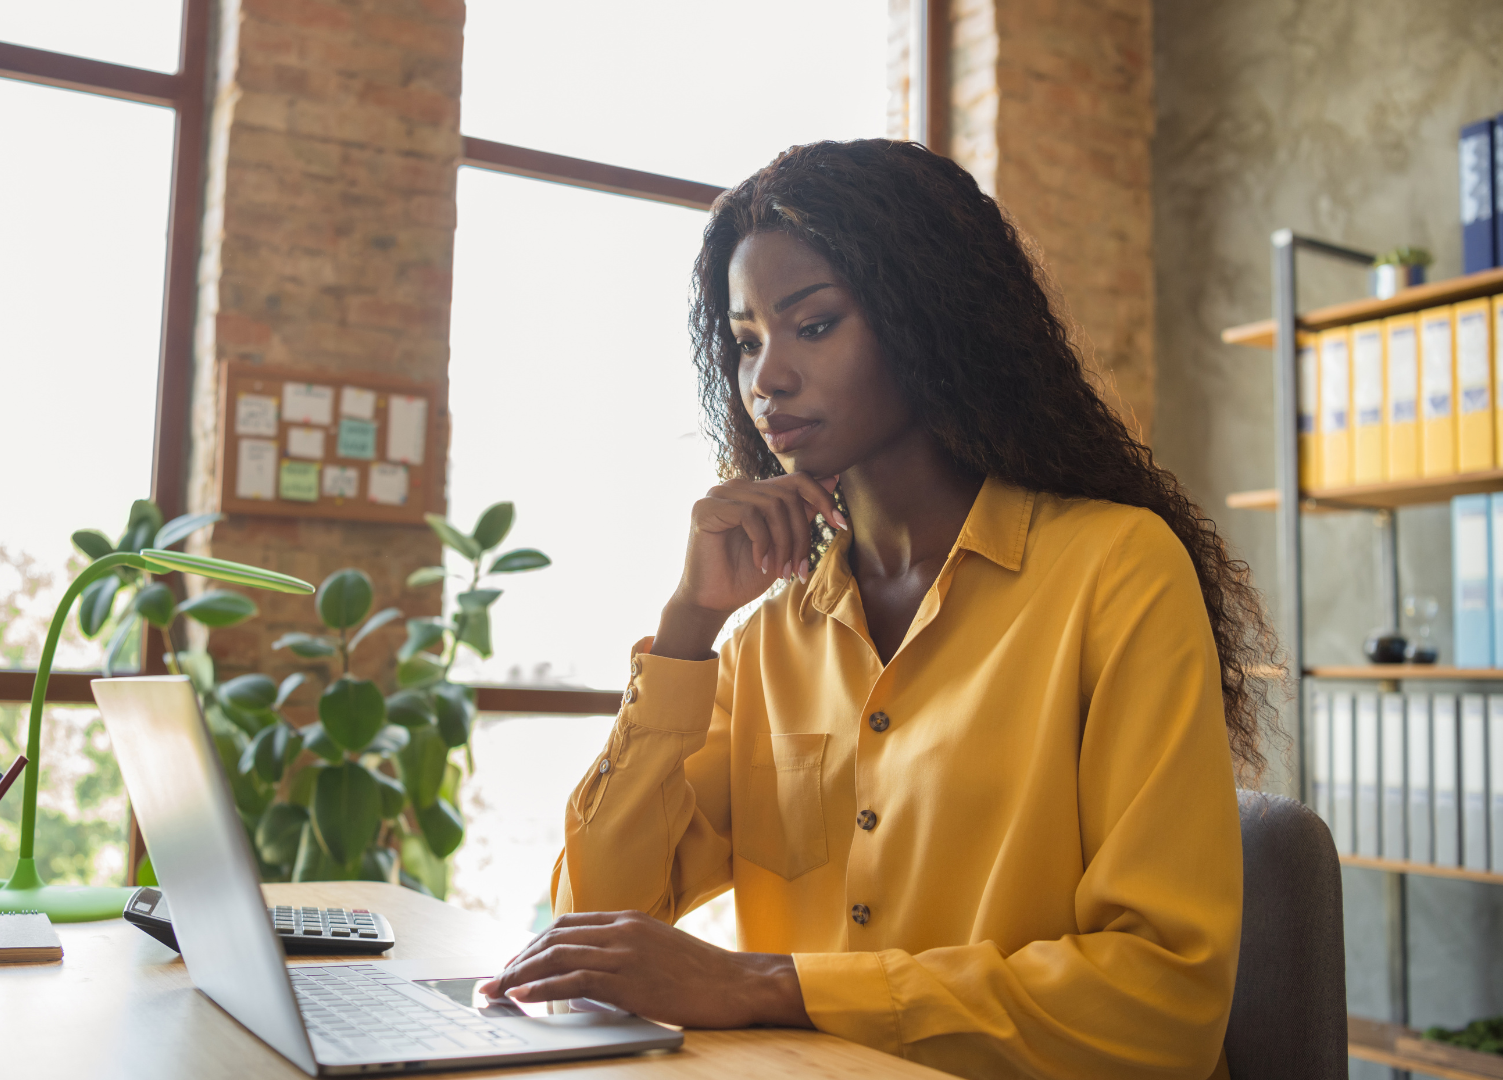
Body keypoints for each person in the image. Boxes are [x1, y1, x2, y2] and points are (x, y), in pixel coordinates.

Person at [483, 139, 1277, 1080]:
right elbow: (597, 920)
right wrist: (690, 625)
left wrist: (769, 985)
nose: (766, 377)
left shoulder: (1116, 572)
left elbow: (1160, 1001)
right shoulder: (766, 638)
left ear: (929, 317)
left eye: (812, 325)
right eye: (744, 342)